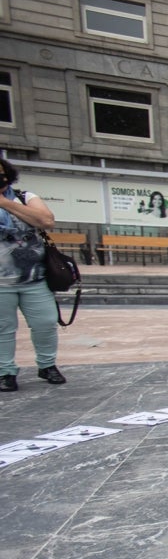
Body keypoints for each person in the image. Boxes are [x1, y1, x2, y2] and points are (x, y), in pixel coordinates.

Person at [0, 157, 66, 391]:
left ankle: (47, 365)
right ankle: (5, 371)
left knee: (46, 321)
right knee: (3, 327)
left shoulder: (25, 198)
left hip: (33, 277)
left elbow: (46, 221)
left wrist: (5, 204)